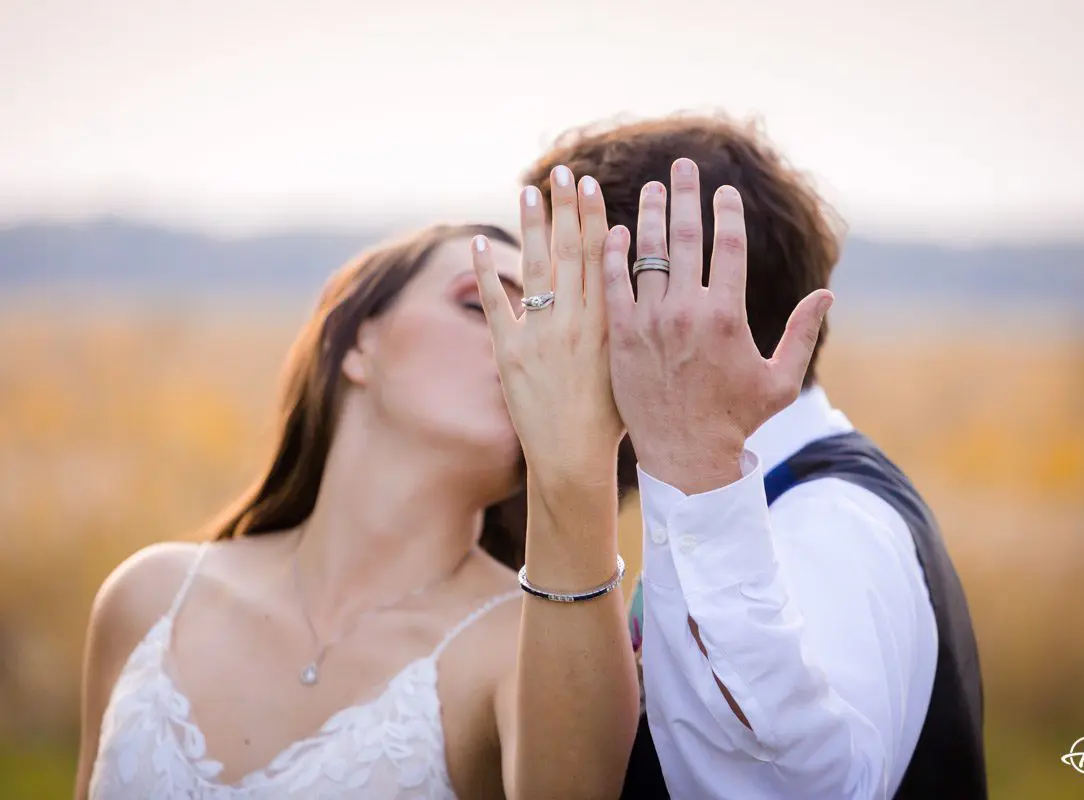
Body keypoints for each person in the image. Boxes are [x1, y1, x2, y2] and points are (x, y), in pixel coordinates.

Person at [75, 204, 642, 797]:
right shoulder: (150, 597)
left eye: (546, 325)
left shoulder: (525, 651)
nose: (521, 345)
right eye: (481, 305)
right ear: (357, 341)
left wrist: (573, 459)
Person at [522, 116, 987, 799]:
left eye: (553, 301)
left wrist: (689, 458)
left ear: (662, 314)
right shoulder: (770, 495)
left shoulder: (834, 522)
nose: (535, 346)